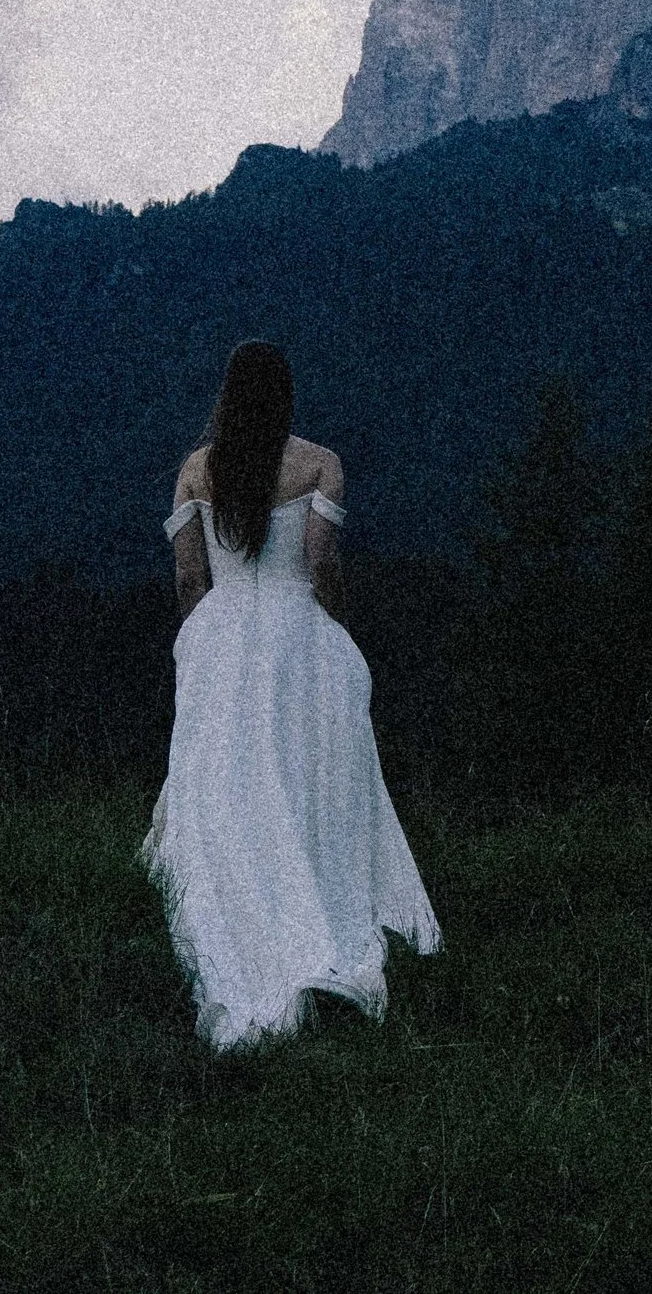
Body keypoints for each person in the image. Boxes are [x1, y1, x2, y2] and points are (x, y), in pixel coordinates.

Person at [141, 337, 440, 1048]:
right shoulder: (319, 464)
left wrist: (206, 640)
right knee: (306, 776)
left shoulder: (195, 470)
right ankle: (316, 897)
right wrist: (333, 625)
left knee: (229, 780)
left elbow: (189, 580)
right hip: (294, 631)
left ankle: (245, 912)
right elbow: (319, 563)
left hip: (221, 630)